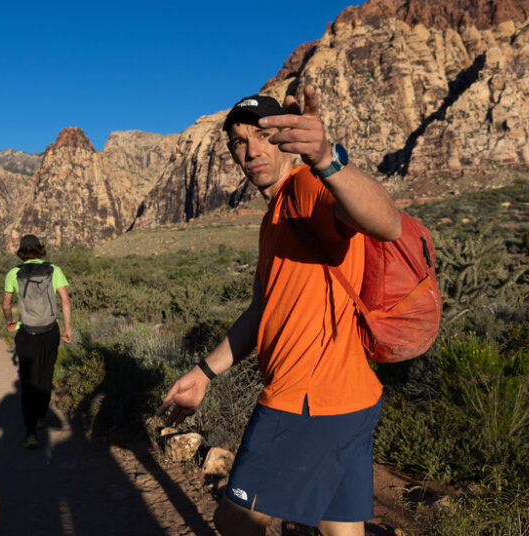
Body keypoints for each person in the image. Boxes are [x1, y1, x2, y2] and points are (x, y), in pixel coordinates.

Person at [158, 86, 401, 536]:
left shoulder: (309, 187)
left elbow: (387, 222)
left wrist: (327, 158)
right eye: (238, 143)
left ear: (284, 139)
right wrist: (203, 375)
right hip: (352, 400)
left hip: (303, 403)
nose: (250, 151)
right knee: (340, 530)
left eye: (262, 136)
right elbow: (259, 312)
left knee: (235, 522)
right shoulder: (276, 216)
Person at [2, 234, 72, 449]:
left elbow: (6, 305)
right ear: (40, 249)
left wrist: (10, 322)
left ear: (22, 252)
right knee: (45, 376)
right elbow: (65, 301)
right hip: (50, 331)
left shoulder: (14, 273)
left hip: (27, 333)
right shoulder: (54, 270)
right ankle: (41, 416)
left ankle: (30, 433)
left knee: (28, 382)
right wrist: (68, 328)